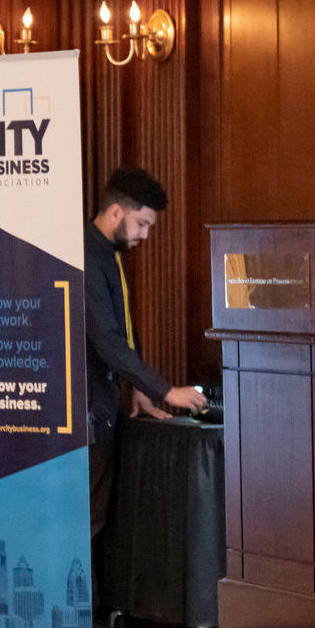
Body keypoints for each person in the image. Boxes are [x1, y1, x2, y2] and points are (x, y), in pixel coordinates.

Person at [85, 167, 206, 542]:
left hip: (104, 405)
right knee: (86, 521)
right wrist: (165, 391)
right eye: (141, 223)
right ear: (116, 213)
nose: (145, 235)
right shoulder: (87, 257)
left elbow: (118, 329)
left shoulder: (109, 253)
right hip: (84, 412)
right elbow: (105, 339)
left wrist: (136, 386)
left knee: (97, 519)